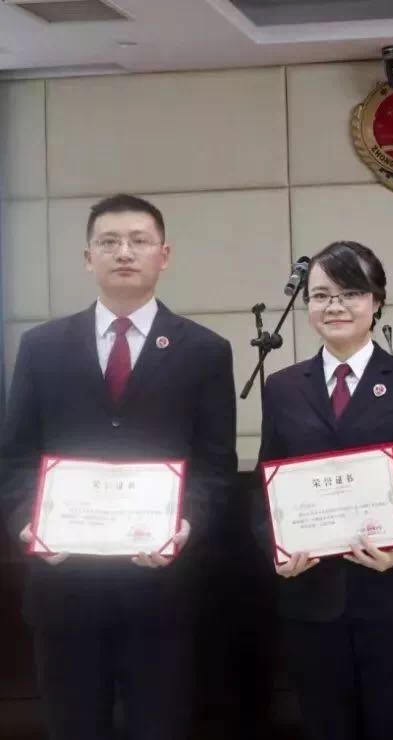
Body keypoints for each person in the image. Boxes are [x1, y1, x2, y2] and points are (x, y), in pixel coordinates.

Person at [0, 193, 238, 740]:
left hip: (162, 590)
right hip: (64, 587)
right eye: (108, 242)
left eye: (138, 241)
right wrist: (27, 521)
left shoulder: (205, 351)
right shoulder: (41, 347)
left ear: (164, 255)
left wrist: (186, 525)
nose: (124, 252)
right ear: (88, 258)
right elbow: (15, 457)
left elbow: (215, 466)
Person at [255, 240, 393, 740]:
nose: (334, 306)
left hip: (392, 596)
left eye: (350, 293)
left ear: (376, 301)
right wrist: (277, 549)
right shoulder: (282, 387)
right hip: (311, 596)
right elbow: (265, 487)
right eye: (321, 295)